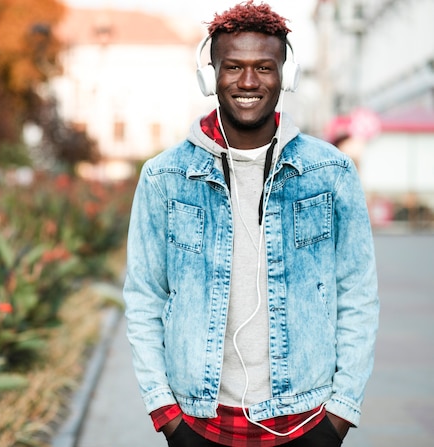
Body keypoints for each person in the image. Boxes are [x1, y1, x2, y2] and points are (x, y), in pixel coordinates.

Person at [122, 2, 379, 446]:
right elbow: (144, 297)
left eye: (264, 67)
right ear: (211, 75)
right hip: (199, 424)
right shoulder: (163, 177)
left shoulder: (331, 172)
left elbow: (358, 295)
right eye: (232, 67)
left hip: (306, 421)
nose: (247, 82)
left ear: (286, 75)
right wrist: (166, 415)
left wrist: (340, 415)